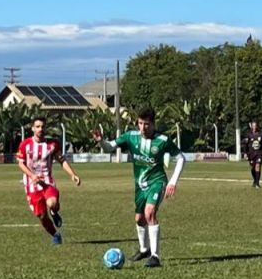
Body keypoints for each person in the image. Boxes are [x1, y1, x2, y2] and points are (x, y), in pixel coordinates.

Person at [94, 107, 185, 268]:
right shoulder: (130, 137)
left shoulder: (162, 140)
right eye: (140, 123)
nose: (143, 127)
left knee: (150, 213)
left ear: (153, 124)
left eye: (147, 124)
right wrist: (101, 141)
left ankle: (155, 256)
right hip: (140, 185)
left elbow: (181, 158)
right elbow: (109, 147)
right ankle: (144, 250)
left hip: (157, 182)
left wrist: (172, 182)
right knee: (139, 219)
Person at [15, 116, 82, 245]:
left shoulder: (52, 144)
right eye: (38, 126)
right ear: (33, 128)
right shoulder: (25, 145)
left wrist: (72, 175)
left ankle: (54, 211)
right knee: (41, 215)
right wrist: (32, 176)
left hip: (47, 182)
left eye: (43, 126)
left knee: (52, 203)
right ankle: (55, 234)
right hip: (31, 184)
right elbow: (21, 164)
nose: (41, 129)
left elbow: (61, 161)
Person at [243, 120, 262, 188]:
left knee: (258, 166)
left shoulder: (261, 134)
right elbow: (245, 145)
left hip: (259, 153)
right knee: (252, 168)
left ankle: (257, 183)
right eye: (253, 126)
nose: (254, 127)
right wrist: (245, 153)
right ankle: (255, 180)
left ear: (257, 126)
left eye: (255, 126)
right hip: (251, 154)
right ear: (251, 126)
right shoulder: (248, 135)